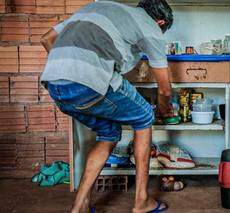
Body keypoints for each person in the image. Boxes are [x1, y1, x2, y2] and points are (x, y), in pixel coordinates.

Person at [40, 0, 173, 212]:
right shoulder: (150, 26)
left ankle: (80, 206)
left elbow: (47, 38)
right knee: (145, 116)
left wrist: (70, 70)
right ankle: (141, 201)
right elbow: (165, 90)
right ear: (160, 21)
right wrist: (165, 108)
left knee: (108, 132)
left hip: (55, 85)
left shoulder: (98, 7)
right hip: (89, 84)